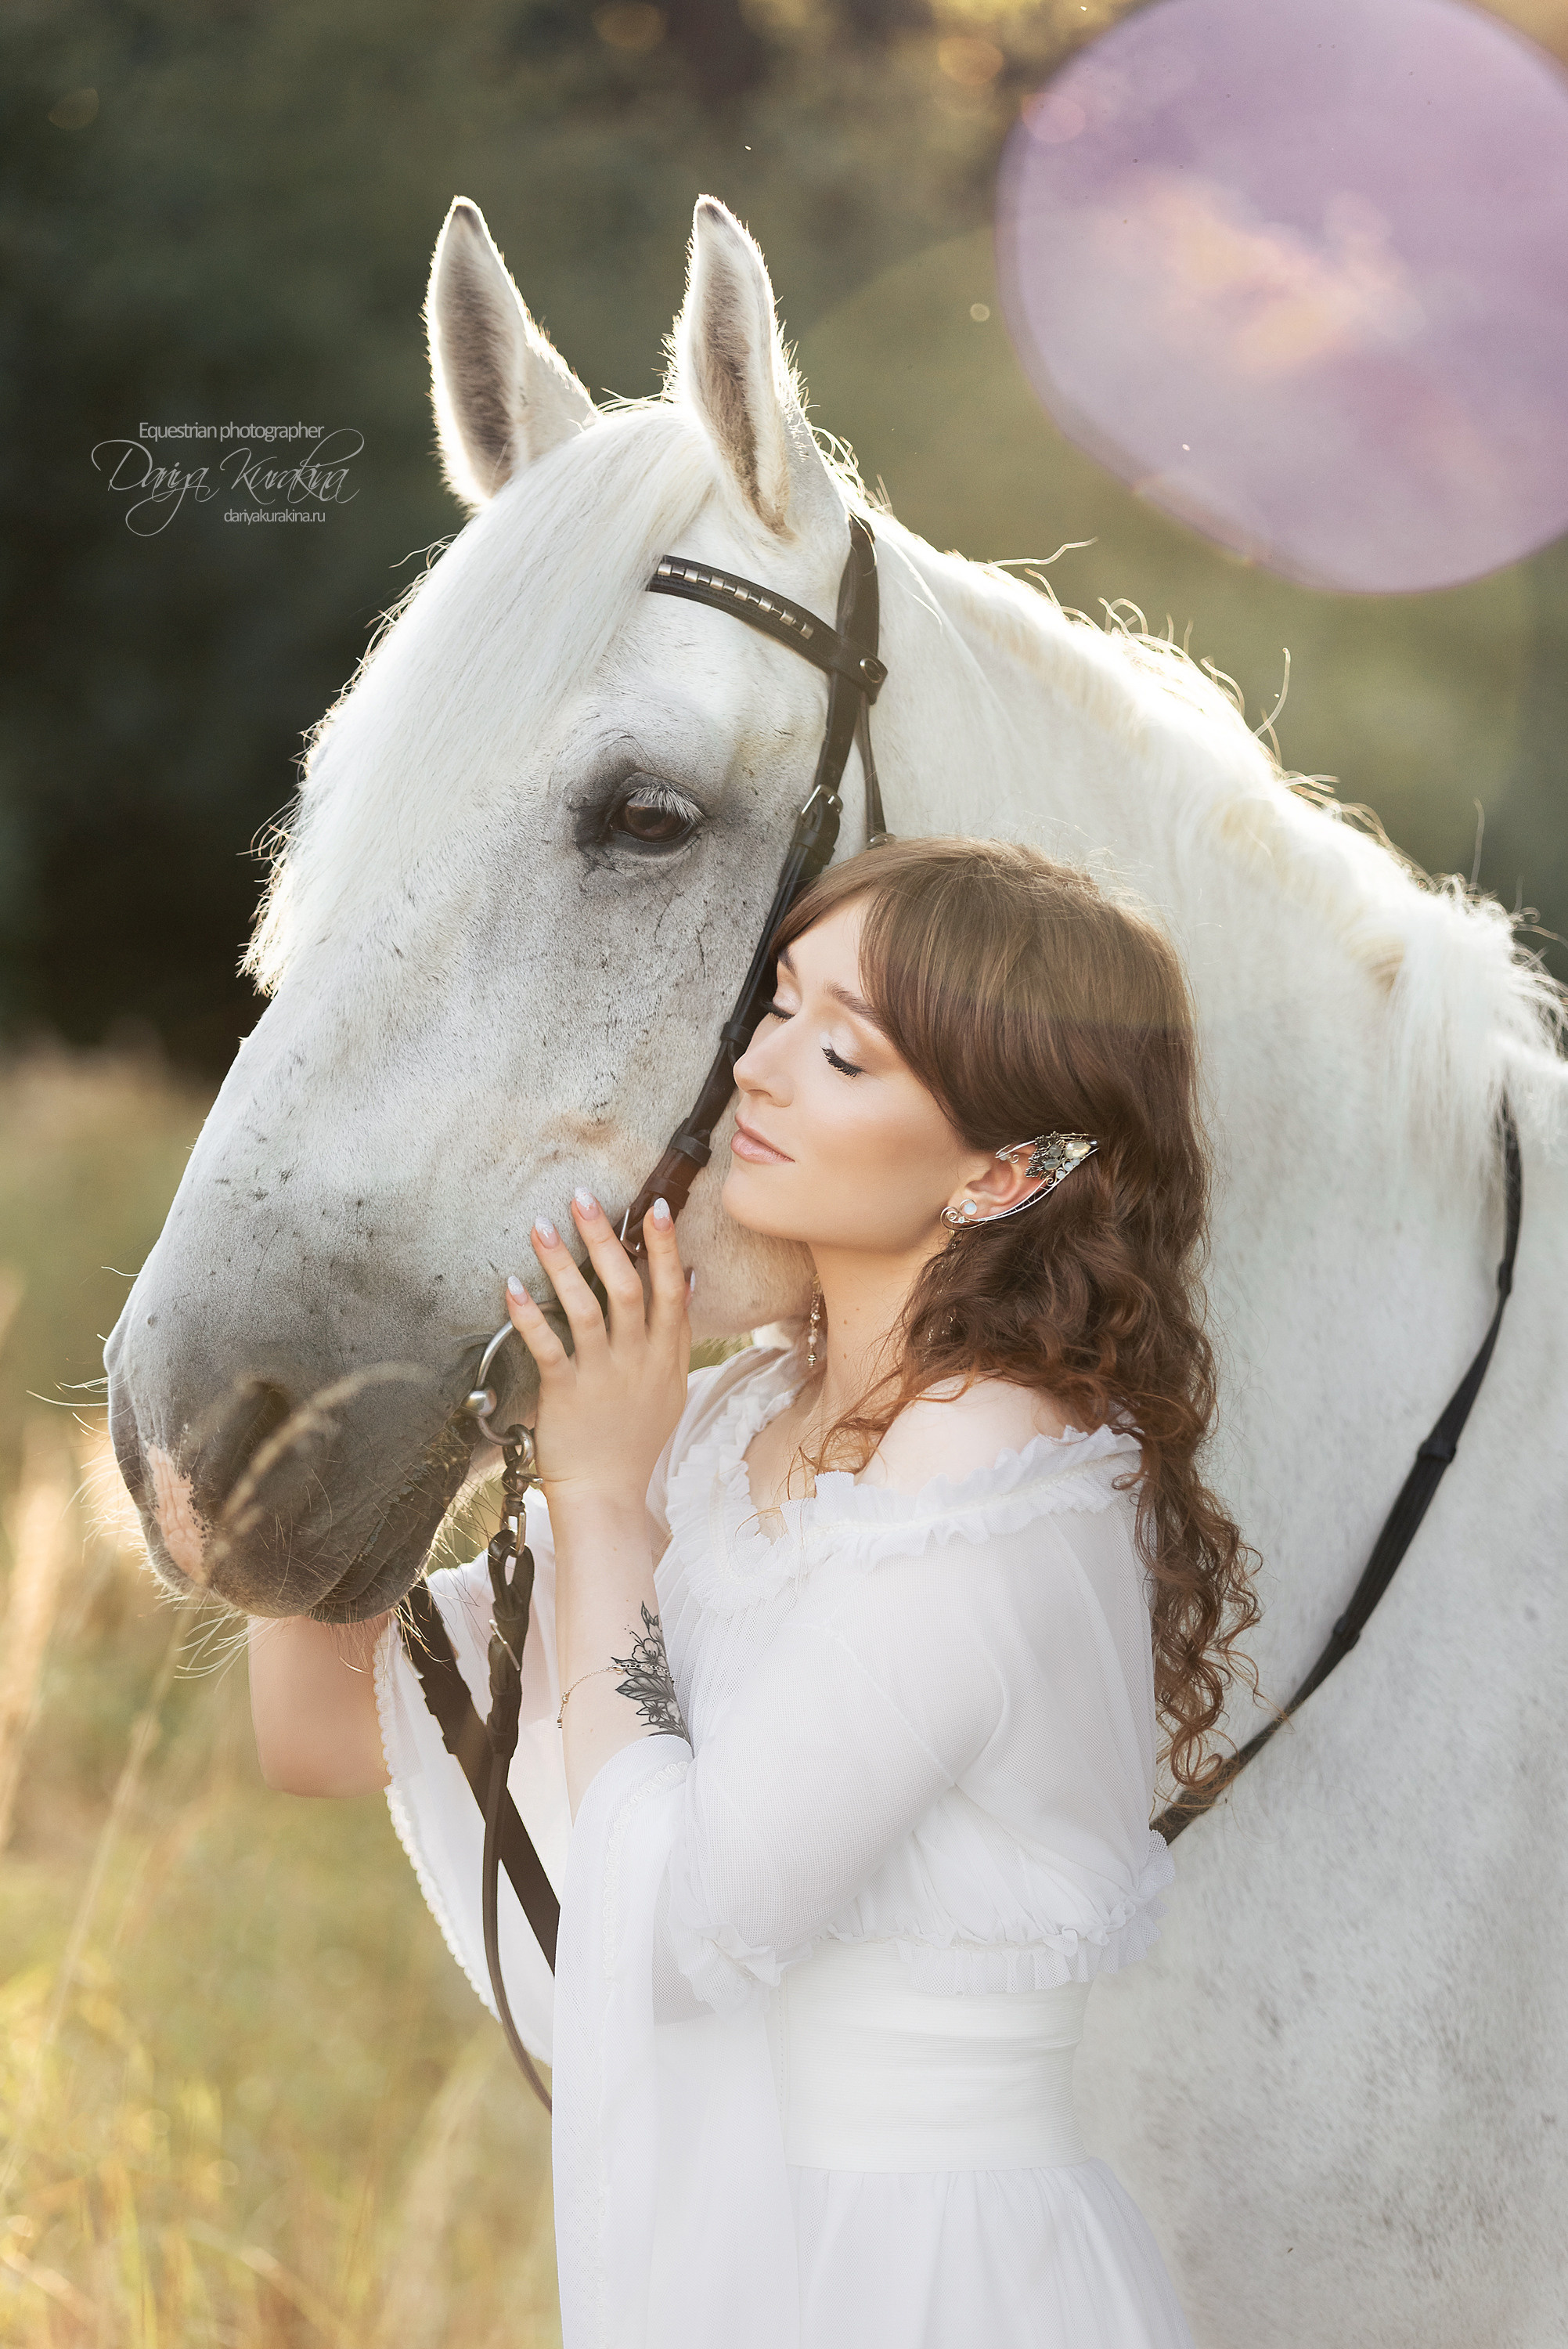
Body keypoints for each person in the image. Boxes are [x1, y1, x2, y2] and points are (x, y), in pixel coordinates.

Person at [248, 836, 1257, 2348]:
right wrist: (368, 1322)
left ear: (1003, 1170)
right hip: (761, 2271)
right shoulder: (736, 1422)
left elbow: (679, 1938)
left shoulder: (988, 1477)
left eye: (843, 1051)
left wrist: (596, 1498)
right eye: (773, 1011)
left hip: (931, 2284)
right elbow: (324, 1728)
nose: (761, 1076)